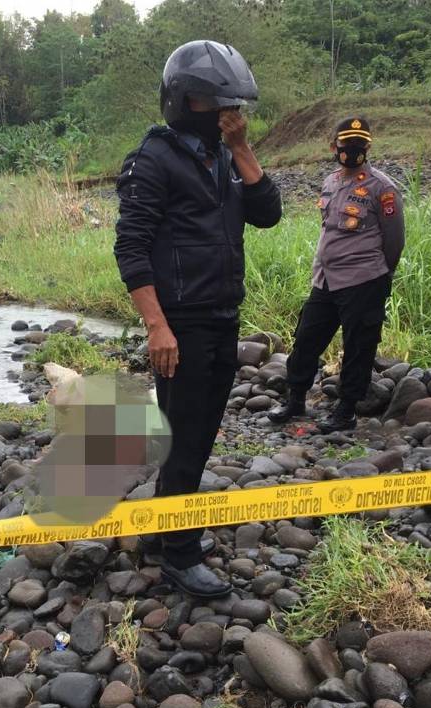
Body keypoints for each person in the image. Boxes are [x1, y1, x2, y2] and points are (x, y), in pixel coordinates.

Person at [113, 40, 282, 597]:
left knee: (201, 432)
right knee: (185, 436)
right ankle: (180, 556)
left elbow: (268, 214)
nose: (232, 116)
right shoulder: (153, 159)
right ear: (190, 102)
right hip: (181, 322)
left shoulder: (222, 158)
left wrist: (243, 150)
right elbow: (131, 248)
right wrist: (157, 327)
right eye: (222, 106)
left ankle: (167, 529)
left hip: (222, 314)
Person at [268, 117, 404, 432]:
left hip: (364, 278)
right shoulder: (330, 182)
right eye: (346, 145)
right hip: (326, 278)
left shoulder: (382, 188)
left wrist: (382, 274)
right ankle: (295, 399)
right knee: (306, 338)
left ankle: (345, 411)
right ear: (334, 147)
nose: (352, 151)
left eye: (359, 145)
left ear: (368, 147)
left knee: (359, 345)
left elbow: (394, 238)